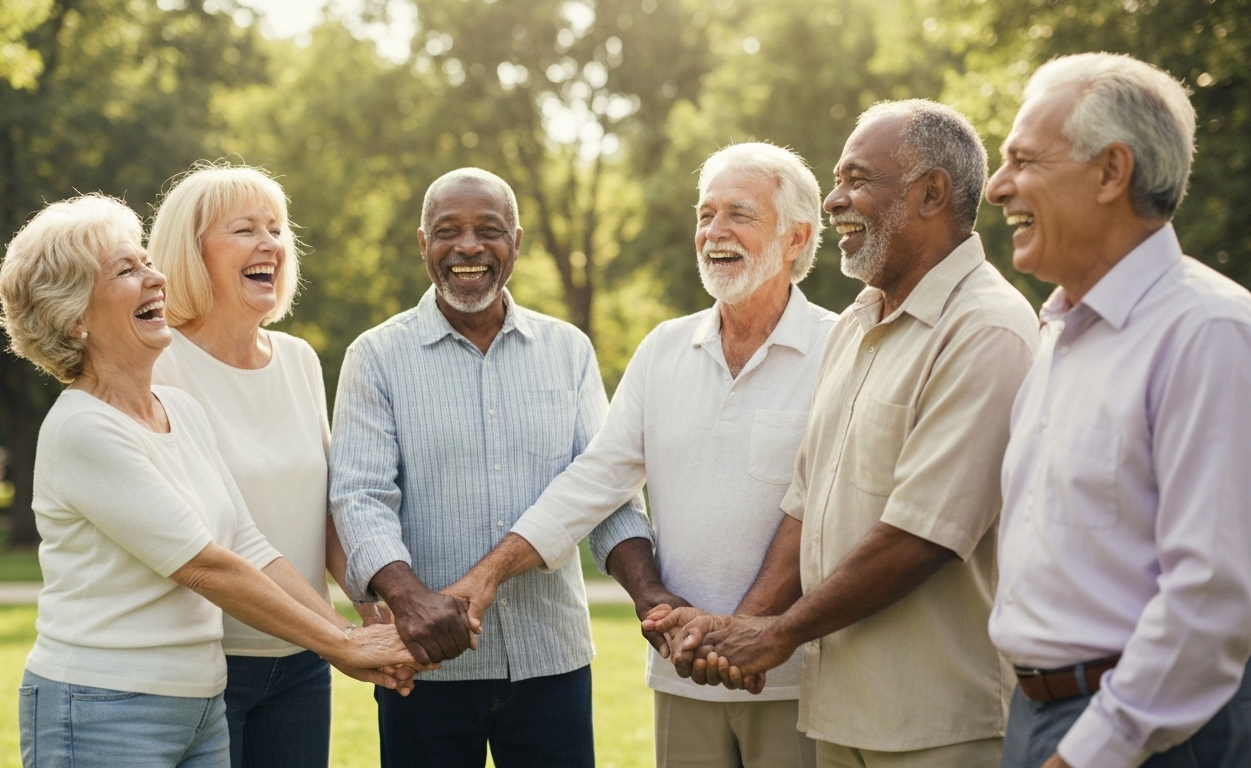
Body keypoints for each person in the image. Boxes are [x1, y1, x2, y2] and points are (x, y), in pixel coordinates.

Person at [653, 101, 1039, 768]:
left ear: (930, 193)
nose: (834, 201)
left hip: (938, 723)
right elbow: (809, 502)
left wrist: (775, 637)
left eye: (856, 179)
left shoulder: (986, 327)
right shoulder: (859, 323)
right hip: (836, 715)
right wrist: (747, 626)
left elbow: (921, 534)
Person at [444, 143, 836, 768]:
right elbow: (595, 481)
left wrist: (744, 631)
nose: (714, 232)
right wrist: (487, 575)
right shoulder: (664, 349)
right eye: (705, 214)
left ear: (796, 238)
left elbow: (822, 506)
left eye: (739, 214)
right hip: (680, 673)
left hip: (795, 677)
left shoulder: (841, 350)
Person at [0, 194, 417, 768]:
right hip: (102, 706)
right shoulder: (82, 428)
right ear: (73, 316)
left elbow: (247, 543)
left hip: (197, 704)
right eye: (127, 270)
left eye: (147, 262)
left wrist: (350, 628)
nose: (155, 277)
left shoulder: (178, 409)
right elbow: (204, 564)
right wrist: (342, 644)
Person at [329, 167, 652, 767]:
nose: (469, 246)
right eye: (448, 230)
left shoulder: (569, 351)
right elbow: (361, 496)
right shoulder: (375, 356)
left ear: (517, 243)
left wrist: (649, 593)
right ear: (423, 244)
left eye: (489, 230)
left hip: (550, 659)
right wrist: (408, 600)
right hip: (424, 666)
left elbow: (604, 490)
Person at [985, 53, 1251, 768]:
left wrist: (1091, 752)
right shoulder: (1058, 336)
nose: (995, 186)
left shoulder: (1210, 332)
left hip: (1151, 738)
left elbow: (1213, 592)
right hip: (1042, 721)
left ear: (1111, 172)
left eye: (1022, 160)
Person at [147, 164, 388, 768]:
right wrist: (337, 635)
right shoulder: (159, 364)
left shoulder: (299, 360)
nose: (269, 244)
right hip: (205, 664)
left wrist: (368, 609)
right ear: (191, 252)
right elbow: (200, 537)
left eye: (276, 229)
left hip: (303, 662)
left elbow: (327, 507)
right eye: (244, 229)